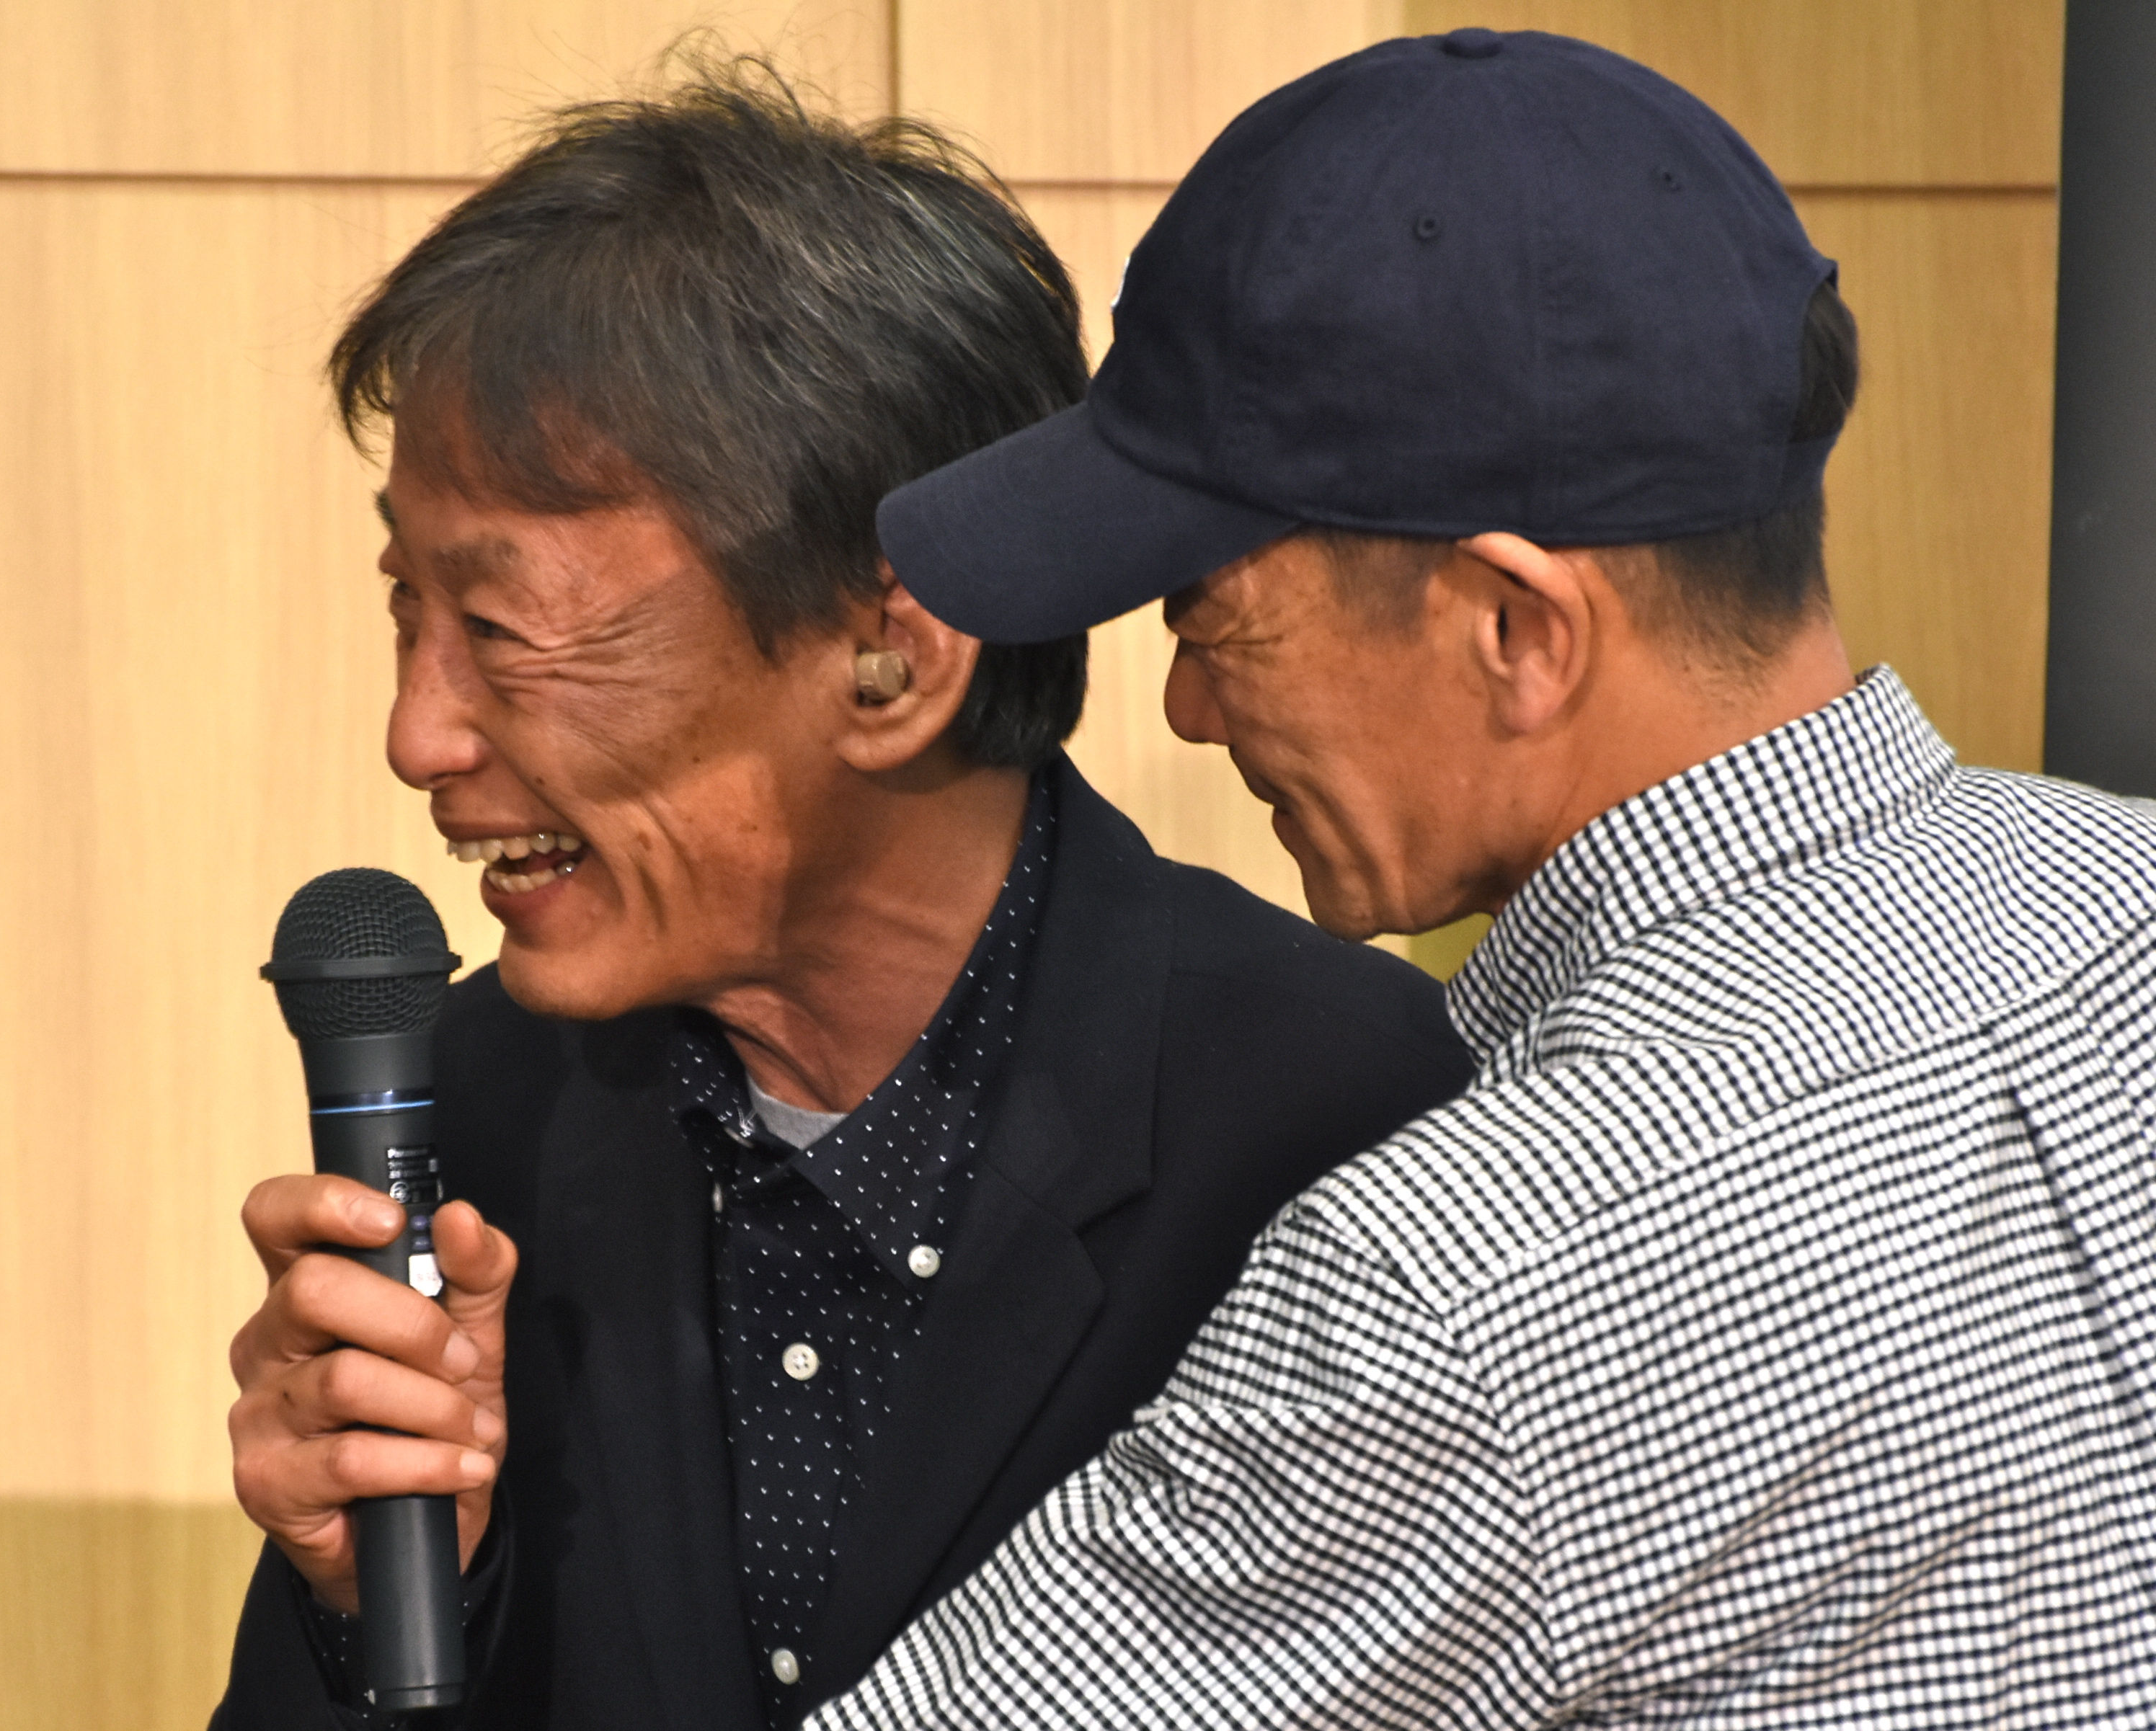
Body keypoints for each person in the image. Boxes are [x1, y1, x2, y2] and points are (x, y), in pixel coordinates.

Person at [813, 27, 2156, 1729]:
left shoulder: (1469, 1286)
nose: (1188, 706)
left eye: (1213, 621)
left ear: (1518, 630)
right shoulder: (2128, 900)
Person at [208, 66, 1473, 1731]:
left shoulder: (1357, 1122)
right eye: (406, 610)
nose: (417, 735)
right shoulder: (480, 1102)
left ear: (890, 656)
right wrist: (362, 1598)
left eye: (501, 627)